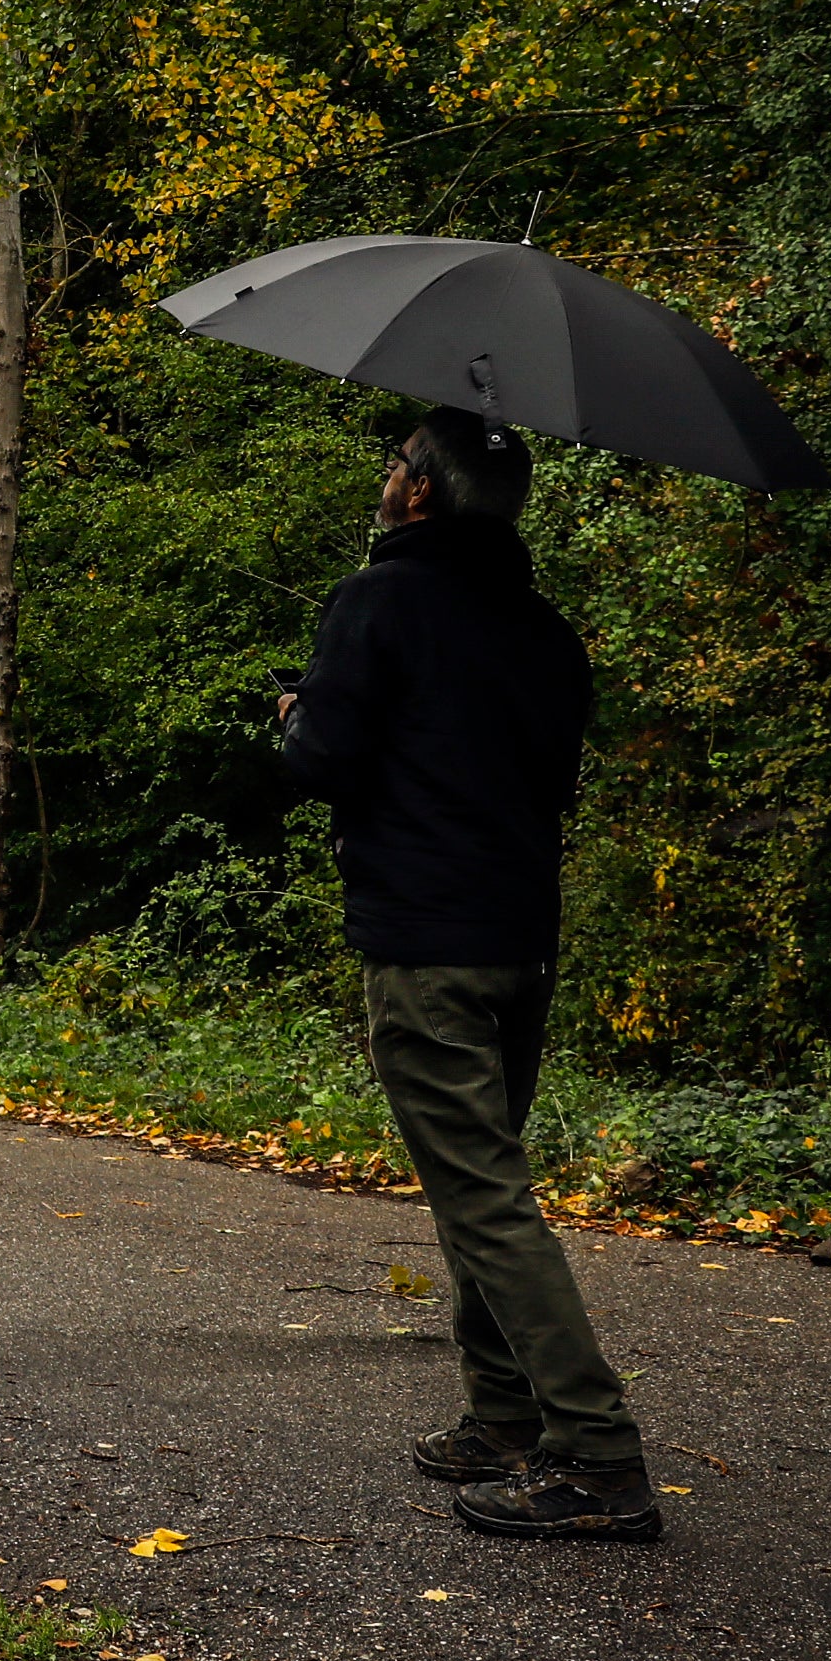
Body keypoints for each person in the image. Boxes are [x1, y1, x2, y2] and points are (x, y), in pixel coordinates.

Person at [277, 404, 657, 1542]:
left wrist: (296, 723)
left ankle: (595, 1452)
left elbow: (325, 763)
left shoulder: (377, 601)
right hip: (520, 940)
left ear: (423, 494)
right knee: (476, 1185)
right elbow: (544, 776)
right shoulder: (546, 631)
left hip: (427, 941)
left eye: (396, 466)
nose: (387, 480)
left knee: (486, 1198)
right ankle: (500, 1416)